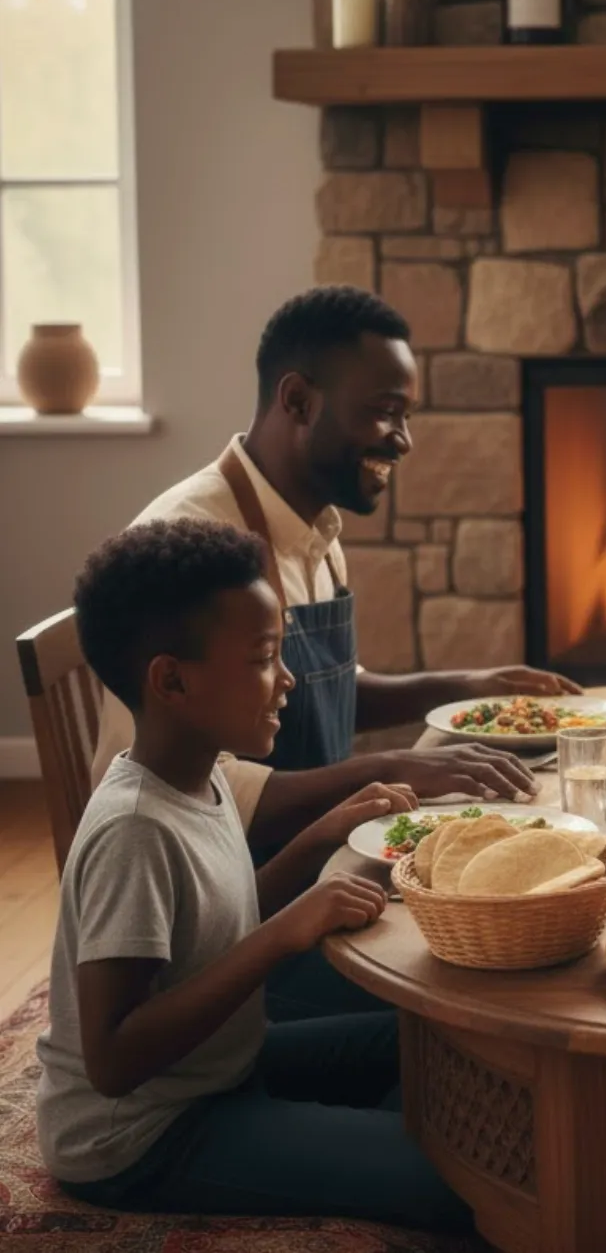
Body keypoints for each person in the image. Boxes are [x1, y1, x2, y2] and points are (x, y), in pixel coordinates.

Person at [39, 519, 472, 1233]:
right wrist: (283, 937)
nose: (288, 680)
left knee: (434, 1041)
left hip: (222, 1067)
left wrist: (314, 841)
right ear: (171, 679)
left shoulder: (198, 774)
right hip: (147, 1132)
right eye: (265, 658)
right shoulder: (135, 828)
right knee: (458, 1173)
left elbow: (211, 933)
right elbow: (115, 1058)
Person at [90, 286, 579, 853]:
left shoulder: (314, 523)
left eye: (407, 416)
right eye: (384, 412)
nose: (404, 440)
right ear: (298, 400)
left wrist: (467, 690)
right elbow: (170, 789)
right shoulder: (183, 545)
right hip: (237, 883)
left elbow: (321, 693)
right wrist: (392, 769)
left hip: (317, 843)